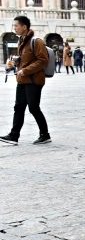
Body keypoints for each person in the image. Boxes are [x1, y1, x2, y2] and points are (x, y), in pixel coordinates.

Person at [0, 15, 52, 145]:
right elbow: (26, 59)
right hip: (22, 79)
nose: (14, 28)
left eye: (16, 26)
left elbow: (42, 61)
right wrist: (15, 62)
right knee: (19, 107)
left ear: (24, 27)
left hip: (34, 80)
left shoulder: (37, 41)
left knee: (33, 108)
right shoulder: (22, 41)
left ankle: (45, 135)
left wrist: (25, 70)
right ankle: (13, 135)